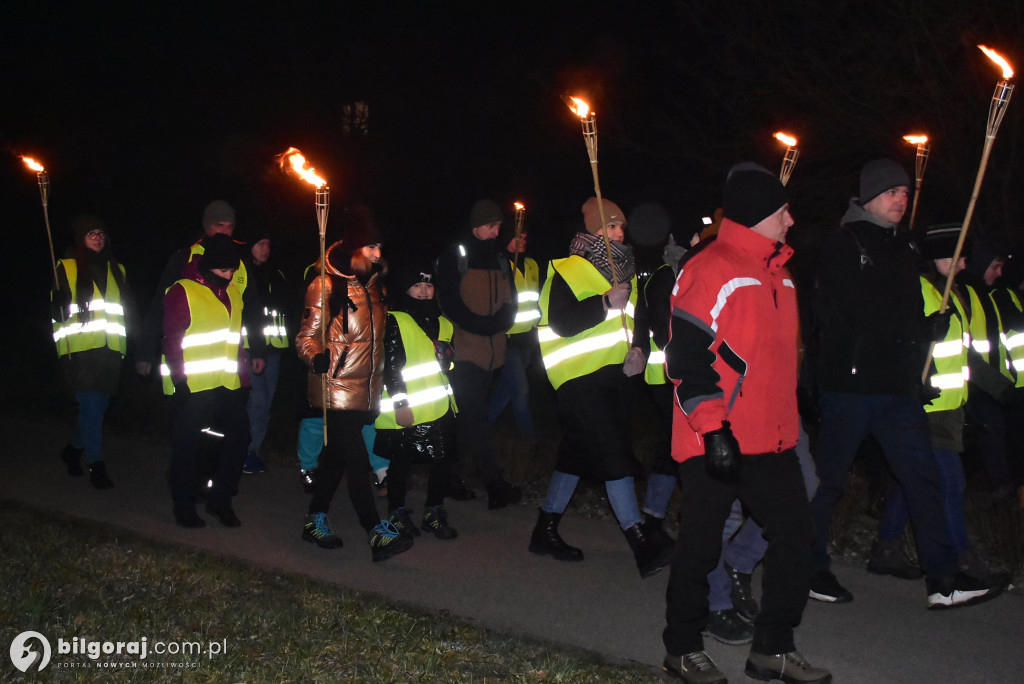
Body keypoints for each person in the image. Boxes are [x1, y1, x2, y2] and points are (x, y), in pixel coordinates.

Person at [661, 164, 830, 684]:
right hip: (717, 436)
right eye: (782, 211)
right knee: (700, 544)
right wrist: (713, 429)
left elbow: (777, 362)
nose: (791, 219)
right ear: (759, 215)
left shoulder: (780, 273)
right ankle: (682, 647)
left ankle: (772, 649)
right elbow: (685, 359)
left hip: (773, 438)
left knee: (797, 537)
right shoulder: (710, 269)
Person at [810, 159, 1002, 609]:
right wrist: (909, 330)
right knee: (829, 481)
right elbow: (842, 315)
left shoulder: (904, 248)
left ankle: (943, 579)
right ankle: (811, 567)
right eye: (892, 192)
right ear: (870, 197)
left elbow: (902, 315)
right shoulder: (844, 244)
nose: (901, 199)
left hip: (897, 390)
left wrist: (923, 336)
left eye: (905, 192)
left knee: (923, 478)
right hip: (851, 387)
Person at [531, 197, 671, 579]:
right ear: (592, 232)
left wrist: (640, 347)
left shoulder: (627, 270)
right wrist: (604, 302)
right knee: (613, 454)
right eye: (610, 227)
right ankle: (640, 541)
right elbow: (561, 322)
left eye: (620, 226)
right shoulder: (567, 269)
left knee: (576, 454)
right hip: (577, 380)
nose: (618, 233)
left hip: (615, 380)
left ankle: (544, 531)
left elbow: (638, 317)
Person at [868, 225, 1008, 587]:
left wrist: (1003, 389)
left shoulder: (953, 294)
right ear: (937, 259)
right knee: (950, 483)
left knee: (911, 479)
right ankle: (960, 558)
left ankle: (886, 547)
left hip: (948, 408)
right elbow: (899, 343)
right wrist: (916, 381)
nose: (963, 265)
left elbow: (963, 356)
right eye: (956, 257)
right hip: (926, 409)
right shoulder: (920, 290)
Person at [294, 217, 412, 562]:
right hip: (333, 386)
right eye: (371, 247)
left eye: (379, 248)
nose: (378, 254)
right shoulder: (325, 284)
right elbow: (304, 337)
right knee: (358, 459)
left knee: (335, 459)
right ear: (354, 247)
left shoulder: (376, 286)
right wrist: (316, 357)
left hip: (365, 389)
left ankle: (314, 519)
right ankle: (375, 531)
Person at [434, 199, 520, 508]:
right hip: (465, 350)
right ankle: (494, 484)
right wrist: (481, 325)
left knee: (466, 418)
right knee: (476, 417)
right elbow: (448, 300)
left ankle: (447, 477)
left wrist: (501, 322)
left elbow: (512, 301)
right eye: (492, 226)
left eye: (499, 225)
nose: (498, 231)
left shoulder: (499, 259)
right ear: (476, 227)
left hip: (494, 353)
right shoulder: (456, 256)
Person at [162, 233, 250, 528]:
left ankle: (220, 501)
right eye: (223, 270)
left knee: (240, 437)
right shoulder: (183, 291)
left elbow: (237, 338)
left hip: (227, 382)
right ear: (208, 265)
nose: (229, 276)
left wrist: (244, 376)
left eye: (232, 271)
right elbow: (172, 340)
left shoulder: (234, 294)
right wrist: (179, 380)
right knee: (188, 444)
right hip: (193, 384)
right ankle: (184, 505)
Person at [374, 259, 459, 541]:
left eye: (428, 284)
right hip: (408, 407)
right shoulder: (395, 319)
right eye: (417, 285)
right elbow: (391, 365)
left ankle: (434, 511)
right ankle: (396, 513)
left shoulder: (443, 322)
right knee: (401, 464)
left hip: (439, 405)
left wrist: (448, 359)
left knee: (443, 461)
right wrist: (400, 403)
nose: (424, 290)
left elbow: (445, 366)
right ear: (405, 288)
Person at [137, 200, 266, 380]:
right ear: (207, 226)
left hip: (229, 366)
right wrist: (146, 351)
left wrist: (259, 349)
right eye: (219, 225)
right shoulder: (184, 258)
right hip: (188, 365)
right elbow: (160, 305)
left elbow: (253, 309)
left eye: (230, 226)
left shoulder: (240, 264)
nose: (225, 231)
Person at [52, 214, 130, 490]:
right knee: (92, 406)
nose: (97, 238)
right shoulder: (66, 267)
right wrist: (56, 304)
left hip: (110, 350)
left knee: (98, 408)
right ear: (80, 239)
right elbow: (56, 314)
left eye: (100, 233)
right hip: (81, 350)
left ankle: (73, 450)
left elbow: (124, 309)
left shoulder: (117, 268)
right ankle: (97, 466)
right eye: (90, 234)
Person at [488, 222, 542, 445]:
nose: (521, 241)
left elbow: (535, 299)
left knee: (505, 392)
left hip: (528, 339)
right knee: (521, 391)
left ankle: (477, 430)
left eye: (525, 237)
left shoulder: (532, 265)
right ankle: (533, 441)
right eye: (516, 237)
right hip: (507, 340)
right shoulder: (498, 267)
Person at [242, 229, 291, 474]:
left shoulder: (276, 274)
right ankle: (246, 451)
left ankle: (253, 451)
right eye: (259, 243)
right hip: (250, 346)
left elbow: (287, 310)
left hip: (275, 349)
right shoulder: (242, 273)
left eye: (268, 243)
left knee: (266, 403)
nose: (264, 248)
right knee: (257, 401)